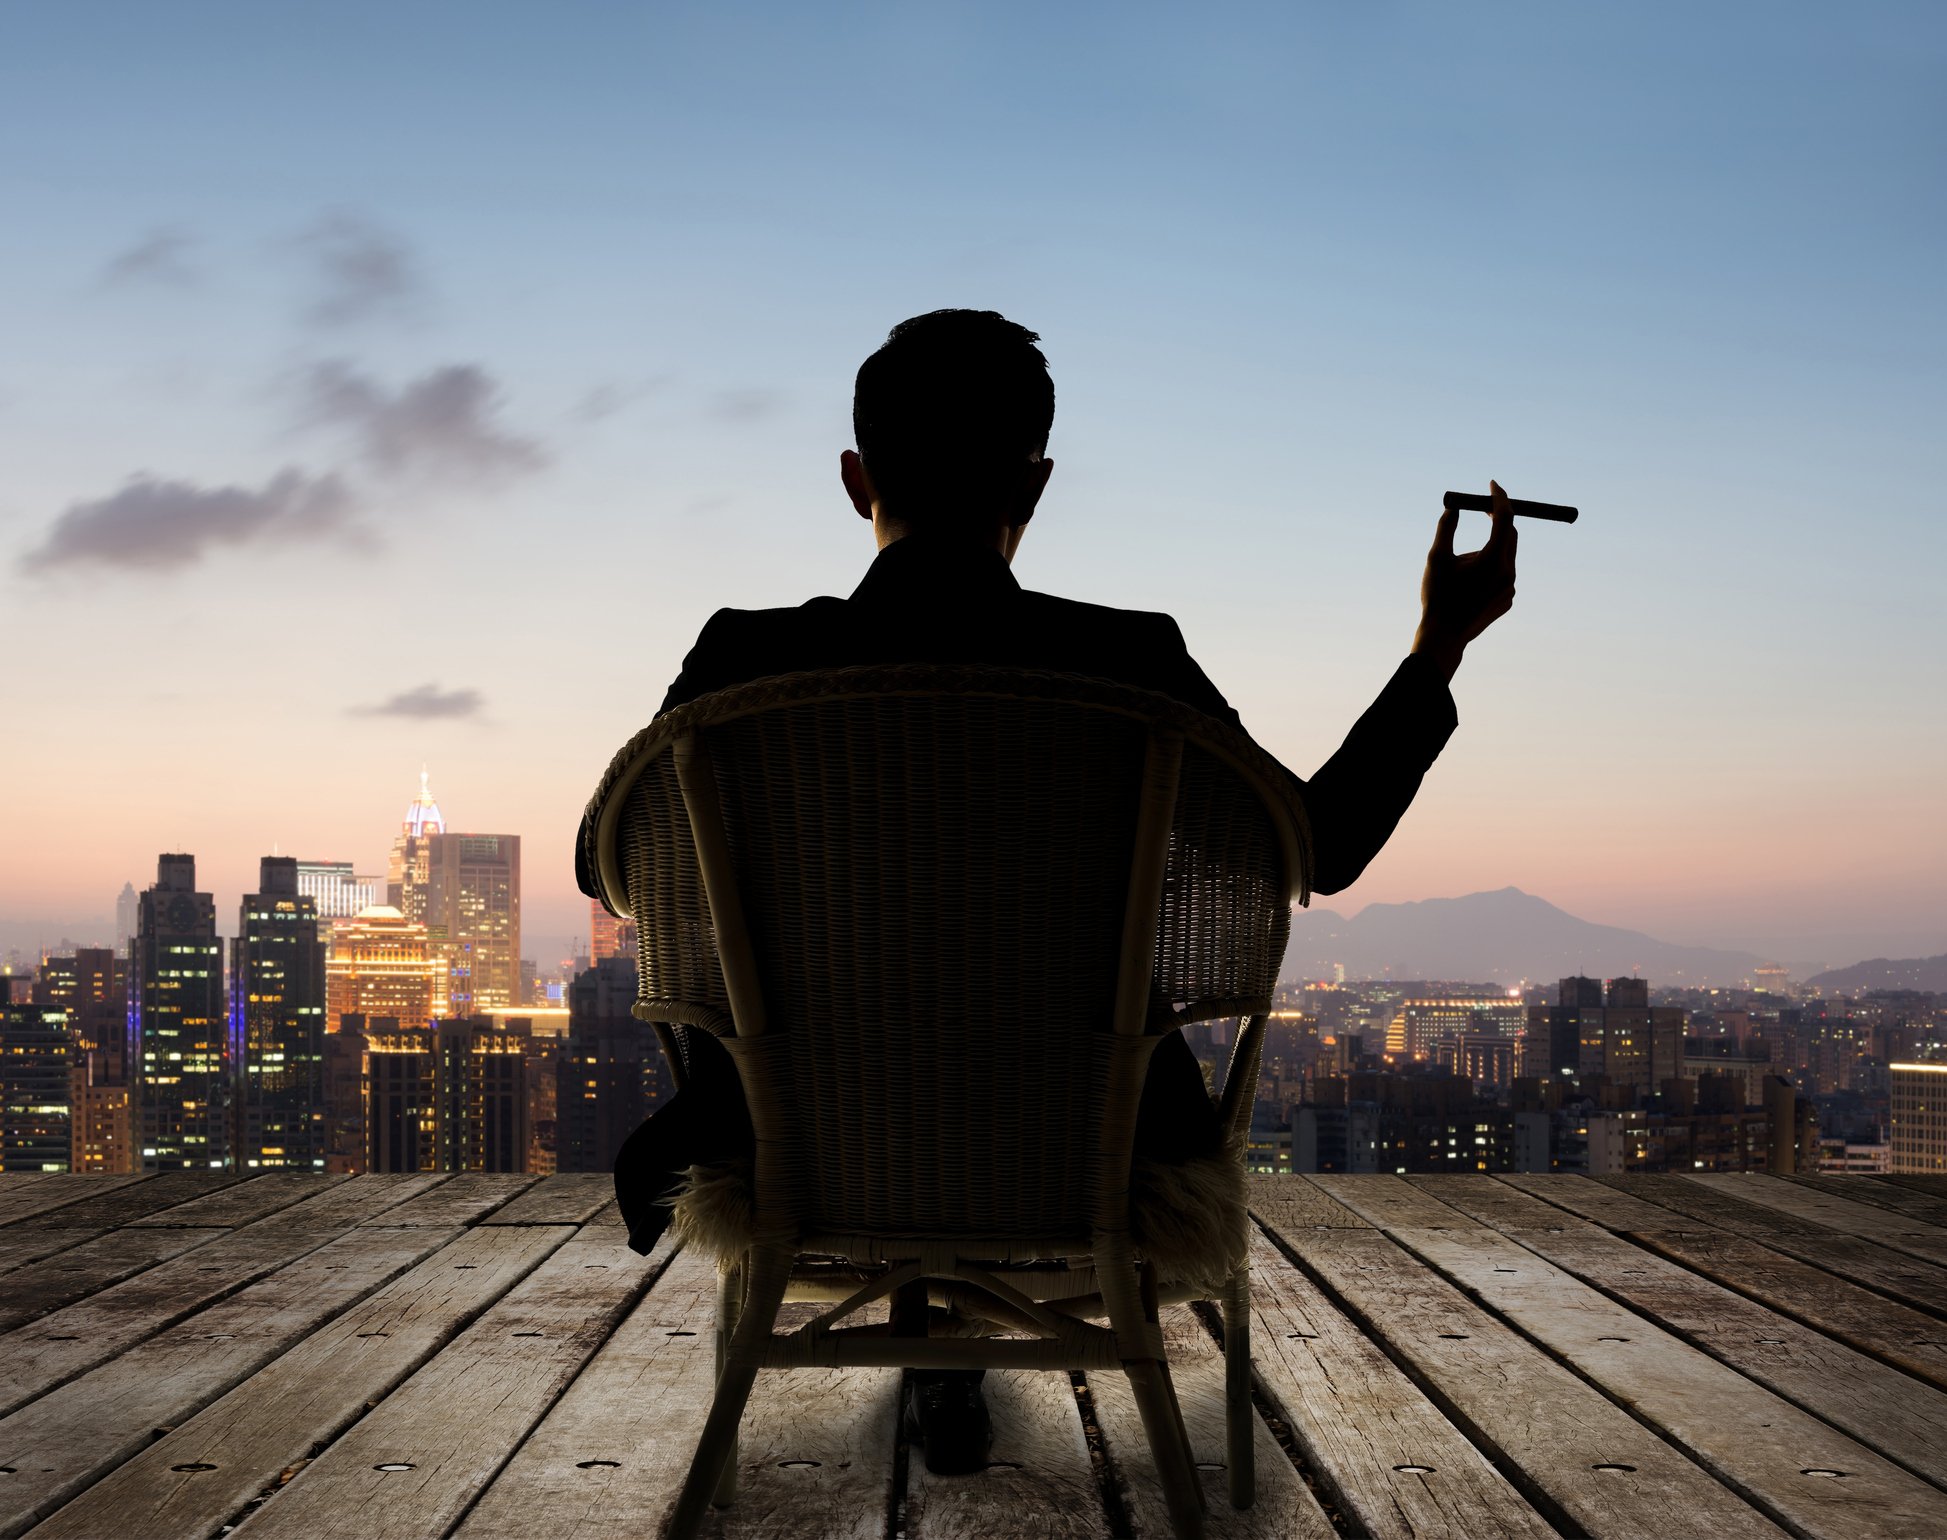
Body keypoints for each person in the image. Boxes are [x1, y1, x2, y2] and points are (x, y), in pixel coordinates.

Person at [577, 308, 1517, 1471]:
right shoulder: (1132, 665)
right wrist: (1439, 647)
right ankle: (957, 1358)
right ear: (1039, 479)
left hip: (795, 1146)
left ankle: (936, 1354)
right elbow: (1317, 848)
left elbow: (601, 864)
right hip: (1096, 1147)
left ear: (855, 477)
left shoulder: (742, 660)